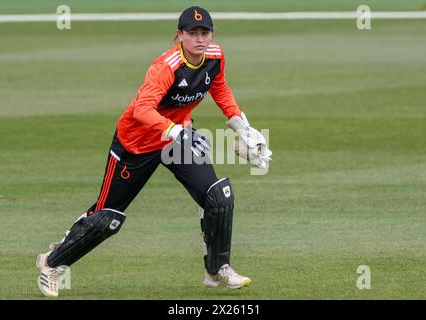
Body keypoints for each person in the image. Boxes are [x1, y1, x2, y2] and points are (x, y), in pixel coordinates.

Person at [36, 6, 272, 297]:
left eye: (205, 32)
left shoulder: (214, 56)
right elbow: (141, 109)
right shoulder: (166, 67)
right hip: (136, 144)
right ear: (180, 35)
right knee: (106, 218)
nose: (200, 38)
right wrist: (176, 131)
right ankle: (52, 264)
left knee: (217, 196)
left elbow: (219, 88)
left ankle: (217, 270)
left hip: (177, 139)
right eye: (193, 33)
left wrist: (242, 126)